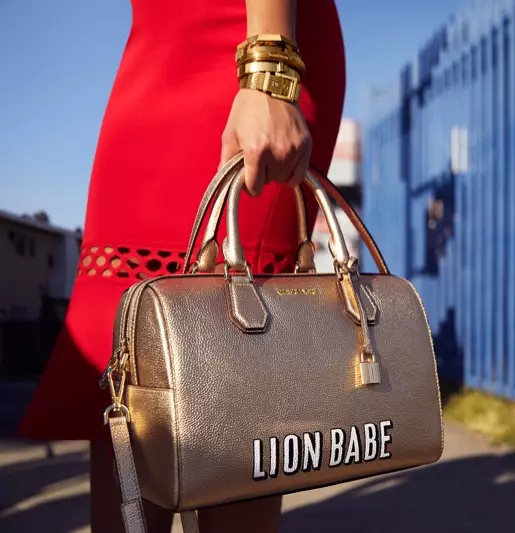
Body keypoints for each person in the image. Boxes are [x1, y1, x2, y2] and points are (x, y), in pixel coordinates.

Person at [16, 0, 346, 531]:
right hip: (157, 55)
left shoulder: (263, 64)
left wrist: (268, 66)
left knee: (246, 359)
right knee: (128, 358)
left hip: (247, 50)